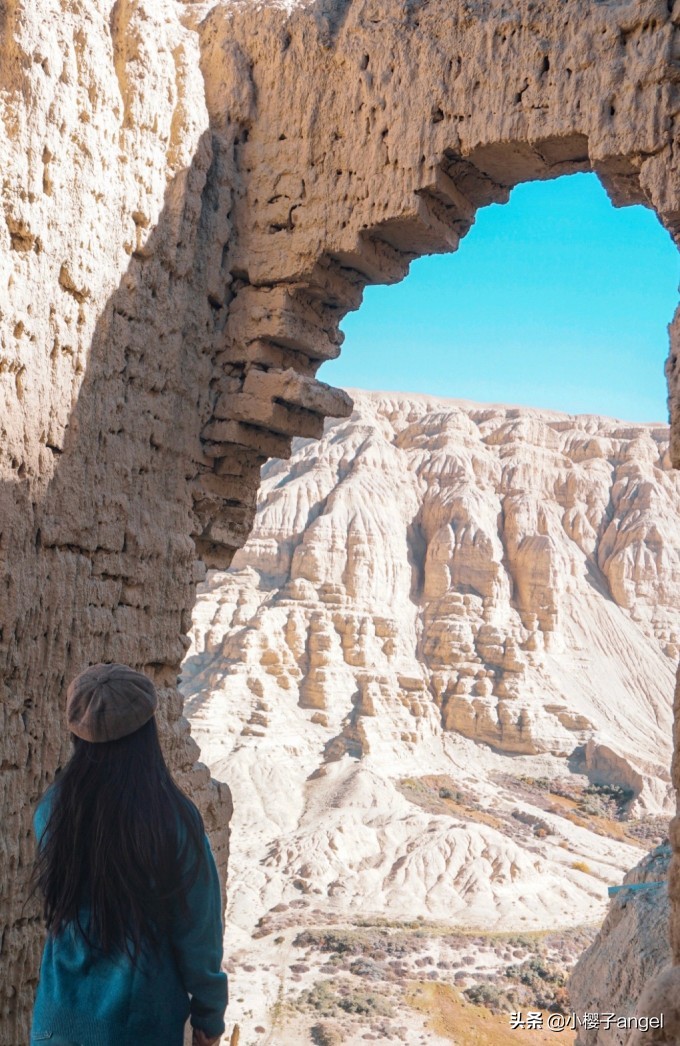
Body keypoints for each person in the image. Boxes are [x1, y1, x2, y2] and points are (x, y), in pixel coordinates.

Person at [29, 662, 229, 1046]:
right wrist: (209, 1016)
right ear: (147, 734)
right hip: (137, 1027)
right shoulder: (171, 818)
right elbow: (198, 931)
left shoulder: (52, 811)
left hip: (55, 1024)